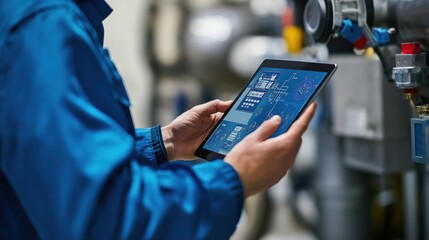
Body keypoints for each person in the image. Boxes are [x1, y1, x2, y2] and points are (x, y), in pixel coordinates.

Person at [0, 0, 317, 239]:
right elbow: (110, 221)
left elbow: (45, 159)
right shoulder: (44, 26)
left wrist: (163, 143)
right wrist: (236, 179)